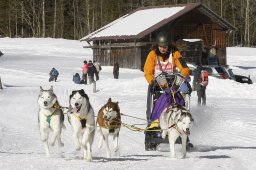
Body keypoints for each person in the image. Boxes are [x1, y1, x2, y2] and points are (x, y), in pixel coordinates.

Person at [143, 32, 191, 150]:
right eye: (161, 46)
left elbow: (185, 68)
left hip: (173, 84)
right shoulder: (152, 55)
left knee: (177, 98)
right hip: (158, 84)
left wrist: (182, 76)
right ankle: (156, 120)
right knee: (163, 99)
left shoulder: (175, 53)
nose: (163, 49)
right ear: (157, 45)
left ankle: (180, 120)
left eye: (165, 47)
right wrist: (151, 81)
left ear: (168, 46)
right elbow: (147, 71)